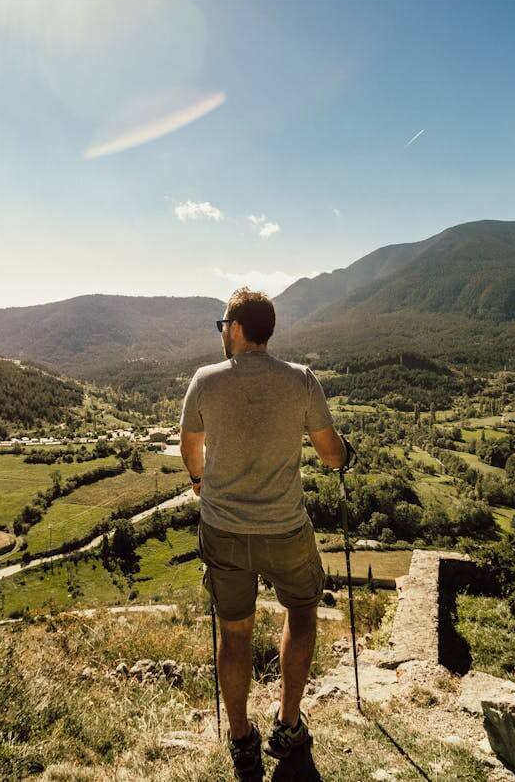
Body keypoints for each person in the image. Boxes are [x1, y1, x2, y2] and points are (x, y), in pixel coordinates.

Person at [180, 287, 351, 781]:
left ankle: (241, 740)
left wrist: (199, 481)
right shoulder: (300, 380)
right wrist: (347, 455)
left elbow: (191, 448)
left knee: (235, 634)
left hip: (224, 531)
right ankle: (288, 724)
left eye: (221, 327)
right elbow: (329, 453)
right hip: (284, 529)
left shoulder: (204, 382)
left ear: (235, 329)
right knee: (301, 613)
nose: (221, 336)